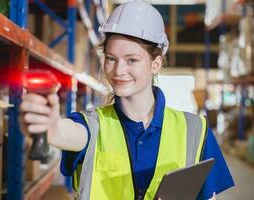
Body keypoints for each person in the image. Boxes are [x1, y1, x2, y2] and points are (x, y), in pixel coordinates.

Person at [19, 0, 234, 199]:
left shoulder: (196, 129)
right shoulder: (91, 125)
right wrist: (49, 125)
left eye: (132, 60)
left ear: (155, 64)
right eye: (111, 59)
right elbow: (63, 132)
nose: (119, 70)